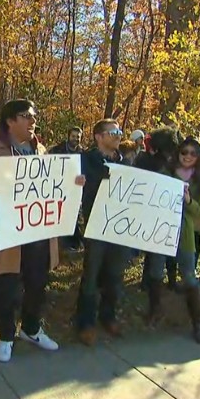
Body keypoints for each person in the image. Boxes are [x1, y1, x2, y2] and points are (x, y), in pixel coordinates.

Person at [0, 99, 85, 362]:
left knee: (37, 284)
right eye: (26, 116)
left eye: (34, 116)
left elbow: (51, 185)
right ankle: (6, 337)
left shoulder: (40, 149)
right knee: (7, 288)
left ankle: (31, 329)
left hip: (38, 232)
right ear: (10, 121)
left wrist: (73, 182)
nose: (33, 121)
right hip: (8, 232)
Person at [75, 120, 129, 346]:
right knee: (92, 275)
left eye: (119, 132)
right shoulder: (85, 160)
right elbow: (72, 188)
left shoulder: (124, 162)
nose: (118, 136)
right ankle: (85, 323)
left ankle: (109, 317)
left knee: (115, 274)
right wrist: (76, 183)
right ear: (98, 136)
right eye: (113, 132)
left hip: (121, 226)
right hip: (96, 225)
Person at [134, 126, 182, 318]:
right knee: (156, 262)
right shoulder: (155, 162)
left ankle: (154, 302)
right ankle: (154, 303)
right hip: (157, 218)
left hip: (159, 218)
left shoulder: (148, 160)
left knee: (156, 261)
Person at [168, 137, 200, 343]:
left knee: (190, 278)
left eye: (193, 153)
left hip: (184, 236)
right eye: (185, 152)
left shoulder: (199, 180)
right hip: (159, 232)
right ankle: (154, 314)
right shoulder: (165, 173)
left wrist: (188, 200)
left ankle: (197, 324)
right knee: (155, 274)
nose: (188, 156)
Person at [50, 126, 85, 252]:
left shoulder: (83, 153)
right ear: (68, 136)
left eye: (78, 137)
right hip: (59, 187)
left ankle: (74, 243)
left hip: (75, 189)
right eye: (73, 136)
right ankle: (61, 243)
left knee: (75, 215)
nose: (75, 139)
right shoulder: (57, 150)